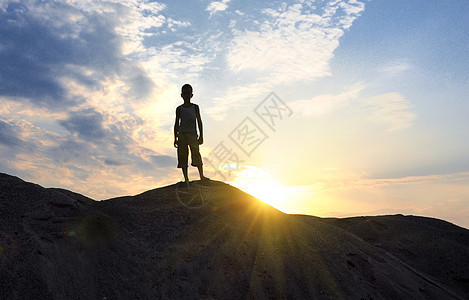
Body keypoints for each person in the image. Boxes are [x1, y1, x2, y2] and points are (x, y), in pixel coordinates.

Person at [174, 84, 209, 185]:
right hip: (182, 135)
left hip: (193, 134)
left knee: (196, 154)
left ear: (191, 95)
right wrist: (175, 137)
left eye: (188, 93)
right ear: (181, 95)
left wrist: (201, 135)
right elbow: (176, 123)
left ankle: (201, 176)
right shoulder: (179, 109)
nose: (186, 95)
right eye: (184, 93)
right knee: (182, 156)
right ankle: (186, 179)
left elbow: (199, 121)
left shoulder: (195, 107)